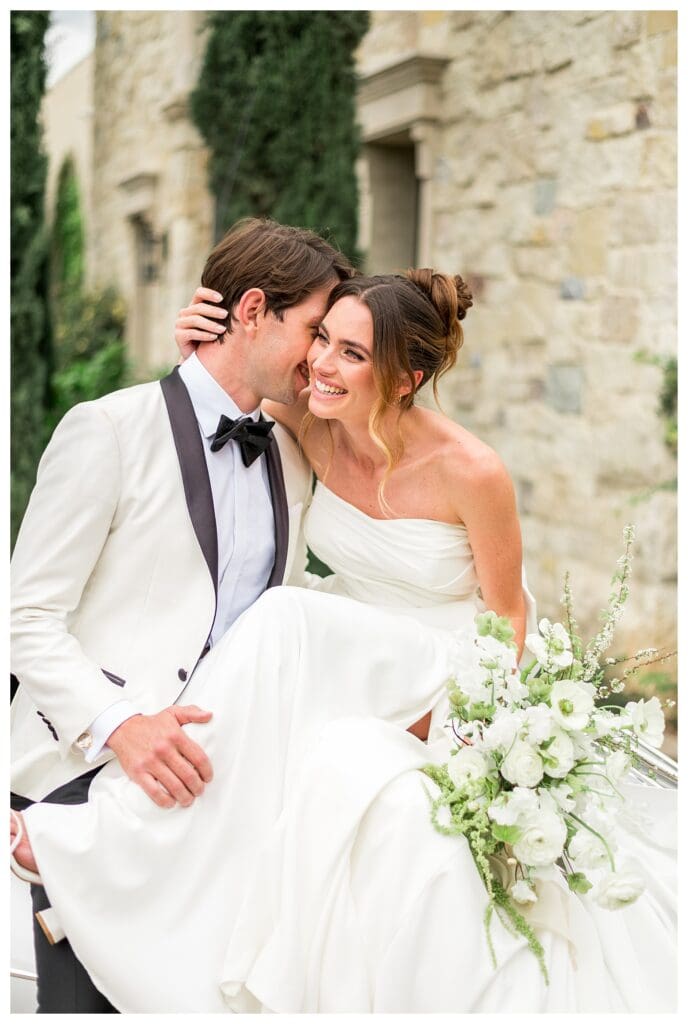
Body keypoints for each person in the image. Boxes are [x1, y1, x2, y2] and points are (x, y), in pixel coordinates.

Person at [11, 270, 676, 1011]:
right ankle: (155, 898)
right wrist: (206, 338)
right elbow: (221, 388)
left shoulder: (472, 470)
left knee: (286, 619)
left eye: (352, 353)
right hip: (352, 651)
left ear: (406, 378)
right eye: (323, 338)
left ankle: (105, 833)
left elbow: (507, 615)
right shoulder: (308, 424)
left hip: (443, 663)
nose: (322, 363)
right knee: (305, 692)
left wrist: (479, 730)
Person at [9, 216, 354, 1012]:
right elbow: (25, 617)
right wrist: (122, 725)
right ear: (254, 310)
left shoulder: (292, 454)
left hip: (220, 798)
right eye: (313, 330)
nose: (319, 357)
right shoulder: (107, 429)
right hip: (87, 784)